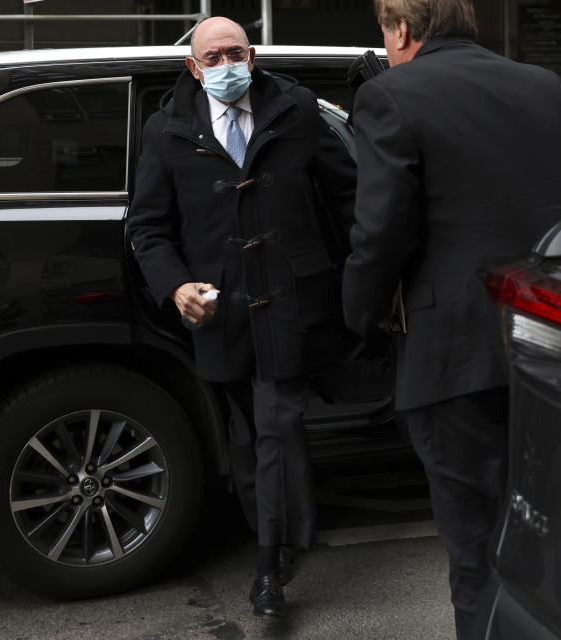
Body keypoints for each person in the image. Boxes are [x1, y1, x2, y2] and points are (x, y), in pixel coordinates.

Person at [341, 1, 561, 638]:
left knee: (476, 552)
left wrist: (359, 320)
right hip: (552, 348)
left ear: (401, 30)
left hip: (451, 356)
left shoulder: (388, 95)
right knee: (552, 540)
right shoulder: (543, 86)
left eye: (383, 31)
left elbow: (380, 235)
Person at [127, 16, 356, 620]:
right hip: (219, 307)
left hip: (289, 298)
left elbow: (347, 196)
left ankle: (267, 569)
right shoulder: (167, 129)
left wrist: (358, 278)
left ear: (251, 56)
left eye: (236, 53)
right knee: (246, 433)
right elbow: (146, 227)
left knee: (277, 420)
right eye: (214, 57)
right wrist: (176, 287)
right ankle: (284, 536)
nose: (227, 65)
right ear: (193, 67)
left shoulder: (296, 109)